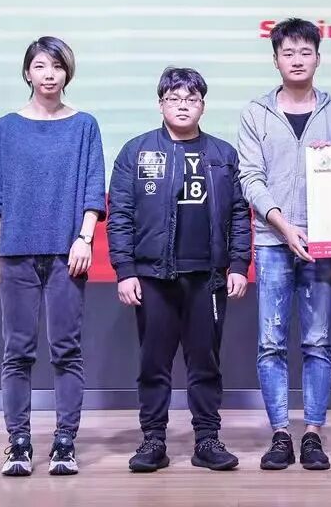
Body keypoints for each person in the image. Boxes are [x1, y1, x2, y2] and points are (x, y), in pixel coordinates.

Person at [107, 67, 251, 473]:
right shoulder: (136, 152)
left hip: (209, 277)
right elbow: (120, 216)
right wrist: (125, 270)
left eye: (191, 99)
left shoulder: (223, 154)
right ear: (160, 105)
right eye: (174, 98)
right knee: (154, 362)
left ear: (203, 105)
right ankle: (153, 440)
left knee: (205, 362)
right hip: (154, 277)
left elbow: (239, 213)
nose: (183, 106)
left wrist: (239, 264)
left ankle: (207, 440)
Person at [0, 36, 106, 477]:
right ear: (27, 72)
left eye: (57, 66)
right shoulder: (5, 128)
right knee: (17, 352)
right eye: (40, 66)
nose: (49, 74)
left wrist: (84, 238)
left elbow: (93, 189)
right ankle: (18, 443)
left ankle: (65, 443)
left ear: (67, 72)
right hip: (15, 255)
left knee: (66, 351)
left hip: (67, 254)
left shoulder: (84, 125)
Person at [237, 17, 331, 470]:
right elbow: (250, 178)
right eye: (288, 53)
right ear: (276, 60)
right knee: (270, 343)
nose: (297, 60)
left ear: (318, 59)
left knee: (317, 342)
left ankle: (313, 434)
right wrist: (284, 226)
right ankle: (281, 434)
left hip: (321, 246)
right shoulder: (255, 113)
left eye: (306, 52)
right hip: (272, 241)